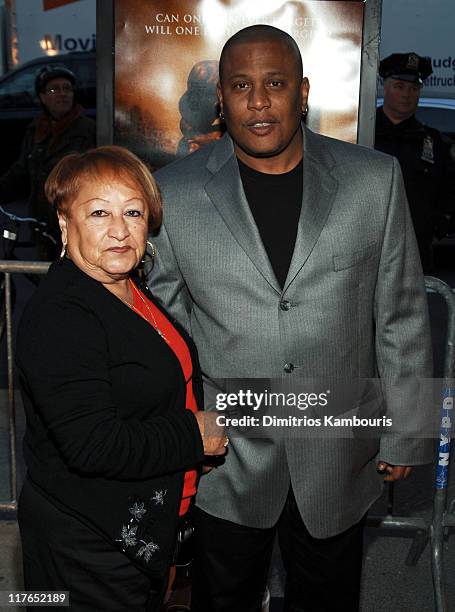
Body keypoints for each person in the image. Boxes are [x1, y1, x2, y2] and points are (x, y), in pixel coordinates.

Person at [148, 25, 433, 611]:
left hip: (336, 449)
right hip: (227, 458)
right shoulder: (171, 195)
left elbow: (401, 313)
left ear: (302, 92)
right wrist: (174, 436)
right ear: (220, 101)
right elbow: (167, 334)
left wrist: (408, 432)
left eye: (275, 84)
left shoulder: (373, 181)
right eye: (241, 86)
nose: (258, 101)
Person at [16, 145, 227, 611]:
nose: (118, 229)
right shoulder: (62, 314)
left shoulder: (129, 287)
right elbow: (93, 444)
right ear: (64, 224)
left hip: (131, 530)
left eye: (132, 212)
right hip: (83, 543)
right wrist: (193, 435)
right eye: (98, 213)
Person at [0, 65, 96, 259]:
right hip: (41, 225)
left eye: (67, 88)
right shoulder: (36, 130)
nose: (62, 94)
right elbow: (20, 172)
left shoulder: (88, 130)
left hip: (73, 225)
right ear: (42, 97)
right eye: (54, 89)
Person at [375, 52, 455, 272]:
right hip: (365, 247)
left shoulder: (434, 142)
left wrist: (439, 223)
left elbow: (448, 189)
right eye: (399, 86)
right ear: (385, 86)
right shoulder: (363, 133)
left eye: (414, 88)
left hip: (415, 252)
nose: (407, 94)